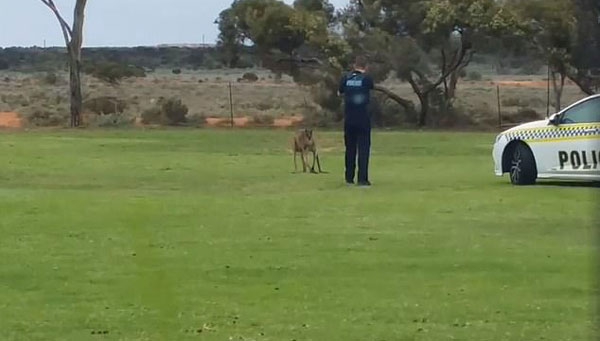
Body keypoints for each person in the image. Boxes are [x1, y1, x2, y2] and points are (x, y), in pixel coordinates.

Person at [338, 56, 374, 186]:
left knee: (350, 149)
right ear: (366, 67)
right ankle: (362, 179)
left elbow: (340, 91)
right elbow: (370, 87)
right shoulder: (367, 79)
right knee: (363, 149)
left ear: (354, 65)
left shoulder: (345, 78)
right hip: (363, 118)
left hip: (349, 119)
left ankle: (349, 178)